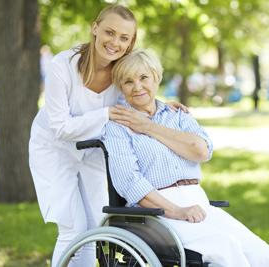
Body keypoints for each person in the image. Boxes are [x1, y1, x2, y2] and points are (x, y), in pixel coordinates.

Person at [28, 5, 187, 267]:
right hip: (53, 148)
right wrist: (108, 114)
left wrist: (161, 106)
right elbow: (60, 127)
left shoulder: (121, 72)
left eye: (124, 38)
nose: (115, 42)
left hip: (92, 149)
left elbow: (139, 94)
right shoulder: (62, 66)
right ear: (95, 29)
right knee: (72, 227)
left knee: (96, 226)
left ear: (130, 43)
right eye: (109, 32)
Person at [102, 49, 269, 267]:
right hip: (157, 216)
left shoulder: (178, 116)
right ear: (121, 87)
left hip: (199, 204)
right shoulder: (118, 126)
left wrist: (147, 126)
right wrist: (178, 211)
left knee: (260, 252)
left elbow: (201, 151)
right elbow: (129, 182)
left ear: (156, 77)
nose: (137, 87)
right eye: (128, 81)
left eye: (144, 77)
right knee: (227, 246)